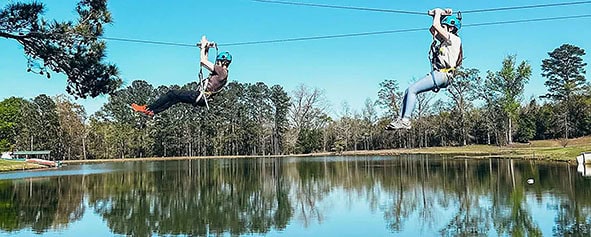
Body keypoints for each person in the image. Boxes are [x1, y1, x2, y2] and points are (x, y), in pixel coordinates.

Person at [386, 8, 463, 130]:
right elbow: (433, 30)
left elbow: (436, 26)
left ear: (451, 28)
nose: (441, 28)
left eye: (444, 26)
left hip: (443, 74)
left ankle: (406, 120)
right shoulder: (446, 41)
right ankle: (400, 119)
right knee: (408, 91)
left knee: (412, 90)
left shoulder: (453, 39)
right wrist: (439, 16)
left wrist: (438, 12)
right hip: (442, 75)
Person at [131, 35, 232, 116]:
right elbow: (205, 61)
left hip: (199, 96)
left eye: (218, 61)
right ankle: (153, 111)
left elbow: (203, 61)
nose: (216, 63)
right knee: (175, 99)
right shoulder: (223, 74)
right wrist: (205, 48)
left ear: (222, 62)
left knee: (172, 93)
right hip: (202, 98)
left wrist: (202, 47)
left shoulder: (221, 71)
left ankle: (147, 108)